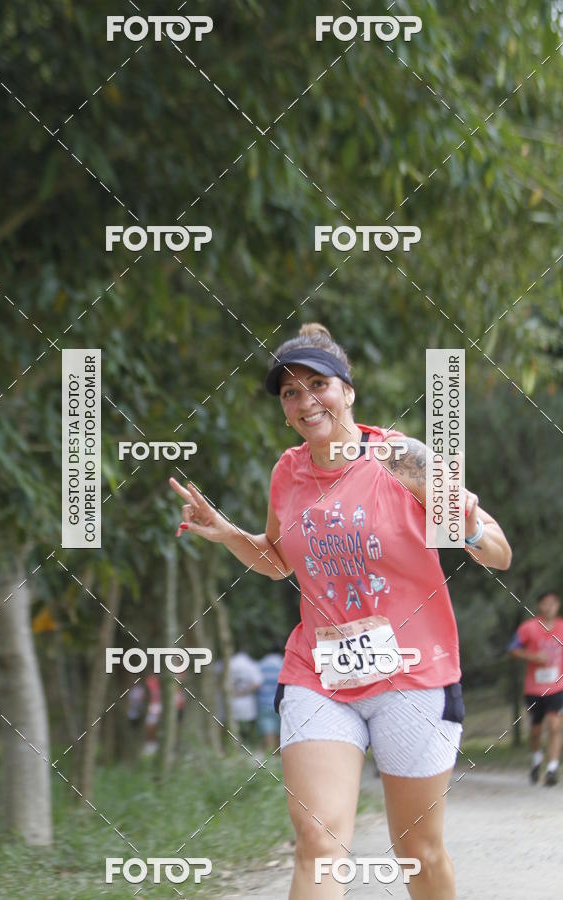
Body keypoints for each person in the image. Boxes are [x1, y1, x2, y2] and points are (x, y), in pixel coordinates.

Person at [170, 323, 512, 899]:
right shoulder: (288, 473)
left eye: (318, 385)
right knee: (319, 843)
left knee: (418, 850)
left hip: (413, 675)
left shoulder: (401, 459)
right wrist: (227, 533)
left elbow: (499, 553)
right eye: (290, 392)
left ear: (347, 391)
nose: (306, 401)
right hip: (319, 676)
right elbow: (279, 560)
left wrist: (471, 525)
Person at [508, 591, 563, 786]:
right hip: (534, 689)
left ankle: (552, 768)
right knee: (536, 730)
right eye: (546, 603)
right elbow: (512, 649)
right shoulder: (528, 628)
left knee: (555, 726)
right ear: (539, 606)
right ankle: (536, 759)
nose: (549, 607)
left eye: (553, 603)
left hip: (557, 687)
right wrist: (533, 657)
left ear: (558, 606)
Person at [229, 650, 263, 746]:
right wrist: (244, 692)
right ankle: (246, 745)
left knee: (233, 726)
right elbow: (257, 683)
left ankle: (234, 745)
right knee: (246, 727)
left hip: (231, 702)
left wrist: (234, 692)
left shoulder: (229, 663)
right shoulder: (251, 665)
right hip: (247, 702)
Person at [257, 645, 284, 751]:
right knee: (281, 729)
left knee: (268, 728)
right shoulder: (282, 664)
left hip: (264, 702)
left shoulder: (261, 664)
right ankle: (278, 753)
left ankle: (269, 752)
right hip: (280, 702)